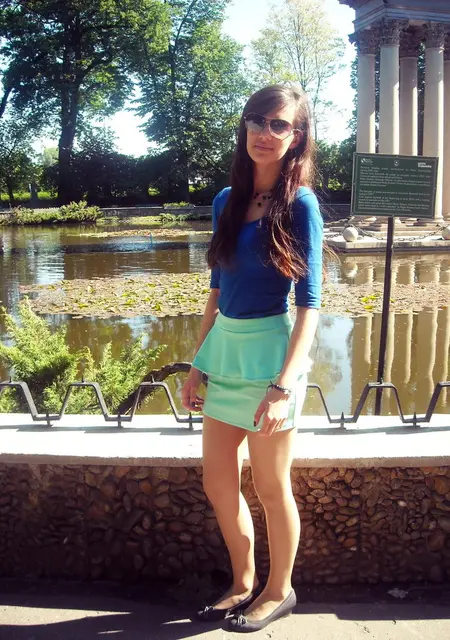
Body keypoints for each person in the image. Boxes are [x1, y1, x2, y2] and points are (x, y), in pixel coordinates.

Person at [181, 84, 323, 633]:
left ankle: (278, 590)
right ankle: (242, 582)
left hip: (270, 360)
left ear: (296, 137)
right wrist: (197, 363)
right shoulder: (226, 200)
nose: (265, 133)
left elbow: (310, 305)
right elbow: (216, 290)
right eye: (257, 121)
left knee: (271, 487)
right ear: (245, 128)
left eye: (278, 124)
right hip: (225, 353)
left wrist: (284, 385)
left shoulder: (300, 205)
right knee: (218, 482)